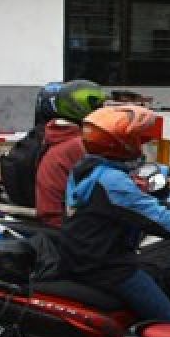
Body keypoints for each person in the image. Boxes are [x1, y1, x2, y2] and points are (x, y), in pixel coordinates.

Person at [60, 105, 170, 322]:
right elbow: (162, 221)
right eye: (137, 137)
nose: (141, 142)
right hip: (108, 267)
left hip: (81, 257)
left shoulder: (89, 168)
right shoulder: (113, 182)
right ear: (121, 143)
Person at [34, 80, 107, 227]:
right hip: (65, 223)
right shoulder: (78, 144)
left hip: (58, 216)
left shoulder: (58, 136)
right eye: (97, 106)